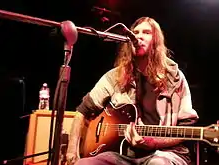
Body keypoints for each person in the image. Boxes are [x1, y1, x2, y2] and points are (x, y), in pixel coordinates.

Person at [66, 16, 199, 165]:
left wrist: (152, 143)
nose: (138, 36)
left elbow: (186, 126)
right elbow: (82, 112)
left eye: (146, 32)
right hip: (122, 155)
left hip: (166, 154)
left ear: (156, 41)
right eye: (135, 32)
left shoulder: (175, 78)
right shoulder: (115, 77)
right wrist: (72, 152)